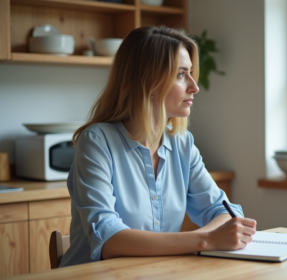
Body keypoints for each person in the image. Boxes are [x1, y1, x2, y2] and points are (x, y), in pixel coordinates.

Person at [59, 26, 257, 267]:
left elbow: (224, 210)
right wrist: (205, 240)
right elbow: (109, 239)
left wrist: (214, 235)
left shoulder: (182, 145)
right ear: (147, 80)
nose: (195, 86)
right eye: (181, 74)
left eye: (191, 73)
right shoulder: (97, 142)